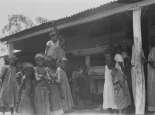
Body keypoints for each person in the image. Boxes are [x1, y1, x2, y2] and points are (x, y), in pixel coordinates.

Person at [147, 47, 155, 111]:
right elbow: (150, 62)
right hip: (152, 74)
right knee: (152, 90)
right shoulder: (153, 50)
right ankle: (152, 107)